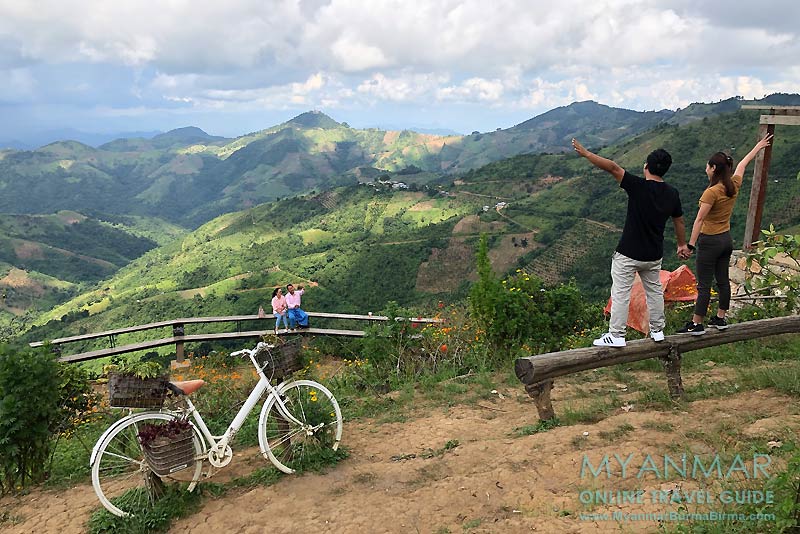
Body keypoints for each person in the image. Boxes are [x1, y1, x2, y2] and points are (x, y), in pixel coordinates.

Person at [572, 138, 687, 347]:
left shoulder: (638, 187)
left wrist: (587, 154)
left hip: (628, 253)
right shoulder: (672, 193)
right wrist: (681, 244)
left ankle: (616, 335)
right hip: (653, 254)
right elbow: (679, 220)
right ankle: (658, 330)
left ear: (646, 167)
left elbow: (613, 168)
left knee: (621, 292)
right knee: (654, 292)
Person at [678, 134, 773, 335]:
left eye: (707, 166)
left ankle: (697, 324)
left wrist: (690, 246)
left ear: (713, 169)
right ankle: (720, 318)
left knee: (704, 284)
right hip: (726, 239)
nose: (706, 169)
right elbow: (743, 165)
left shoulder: (711, 193)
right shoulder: (733, 185)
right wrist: (758, 147)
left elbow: (699, 220)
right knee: (722, 280)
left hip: (709, 241)